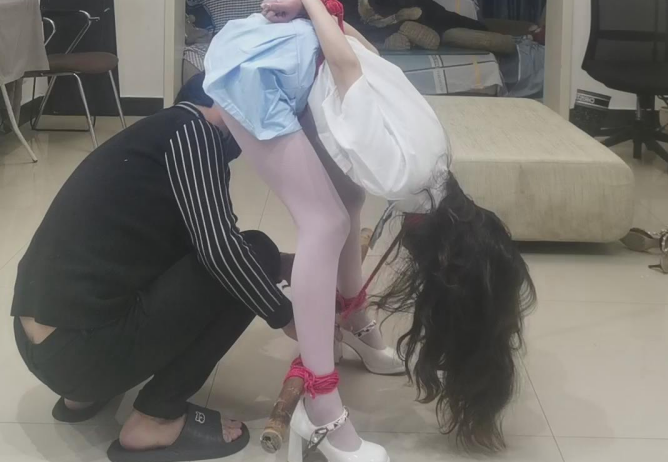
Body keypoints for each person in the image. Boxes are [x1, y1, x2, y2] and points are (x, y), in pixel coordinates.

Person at [203, 0, 537, 459]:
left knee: (350, 198)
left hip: (292, 59)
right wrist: (312, 5)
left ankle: (357, 323)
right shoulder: (402, 176)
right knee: (325, 222)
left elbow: (370, 59)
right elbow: (348, 69)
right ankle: (322, 406)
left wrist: (318, 16)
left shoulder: (436, 156)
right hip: (255, 72)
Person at [10, 74, 299, 462]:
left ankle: (83, 396)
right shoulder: (195, 131)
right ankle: (155, 418)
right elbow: (221, 251)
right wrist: (287, 316)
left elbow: (188, 247)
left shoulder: (155, 135)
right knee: (256, 250)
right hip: (78, 352)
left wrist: (285, 266)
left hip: (40, 343)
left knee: (248, 259)